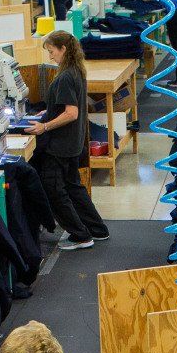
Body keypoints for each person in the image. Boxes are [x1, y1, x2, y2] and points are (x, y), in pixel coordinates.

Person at [25, 29, 109, 250]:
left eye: (52, 51)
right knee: (74, 187)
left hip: (60, 145)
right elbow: (64, 108)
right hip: (73, 142)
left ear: (63, 49)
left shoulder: (64, 77)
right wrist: (45, 114)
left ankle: (80, 235)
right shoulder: (76, 71)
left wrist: (44, 126)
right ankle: (97, 229)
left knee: (54, 189)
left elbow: (71, 113)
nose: (50, 56)